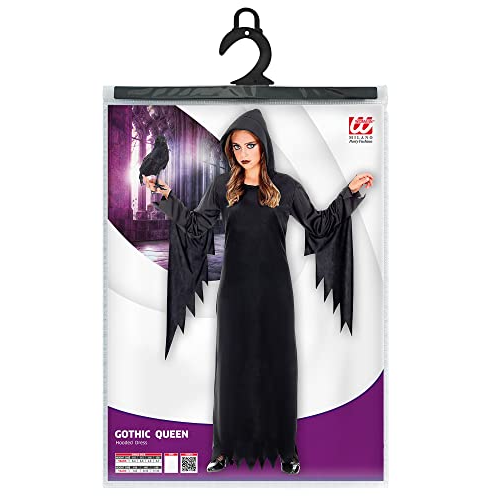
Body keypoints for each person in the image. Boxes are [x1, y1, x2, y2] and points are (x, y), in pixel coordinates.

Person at [144, 109, 373, 474]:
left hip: (275, 294)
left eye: (250, 145)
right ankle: (223, 449)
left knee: (278, 367)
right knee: (231, 367)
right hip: (234, 294)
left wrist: (350, 193)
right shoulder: (223, 187)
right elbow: (197, 227)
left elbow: (319, 225)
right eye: (236, 147)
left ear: (263, 145)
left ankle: (286, 449)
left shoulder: (286, 188)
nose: (244, 153)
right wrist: (168, 198)